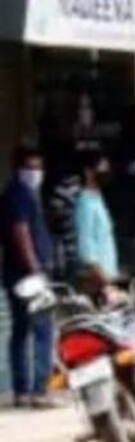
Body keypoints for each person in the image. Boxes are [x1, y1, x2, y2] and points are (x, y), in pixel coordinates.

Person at [3, 142, 56, 409]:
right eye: (31, 167)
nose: (36, 172)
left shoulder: (17, 193)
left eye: (39, 166)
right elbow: (20, 232)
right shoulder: (22, 194)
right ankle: (39, 390)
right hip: (27, 275)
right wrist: (35, 267)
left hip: (15, 274)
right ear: (20, 168)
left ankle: (22, 390)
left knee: (21, 331)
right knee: (42, 330)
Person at [71, 147, 118, 294]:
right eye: (101, 168)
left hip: (107, 277)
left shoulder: (98, 199)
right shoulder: (85, 202)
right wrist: (101, 278)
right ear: (88, 172)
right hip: (96, 281)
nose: (105, 172)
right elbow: (85, 244)